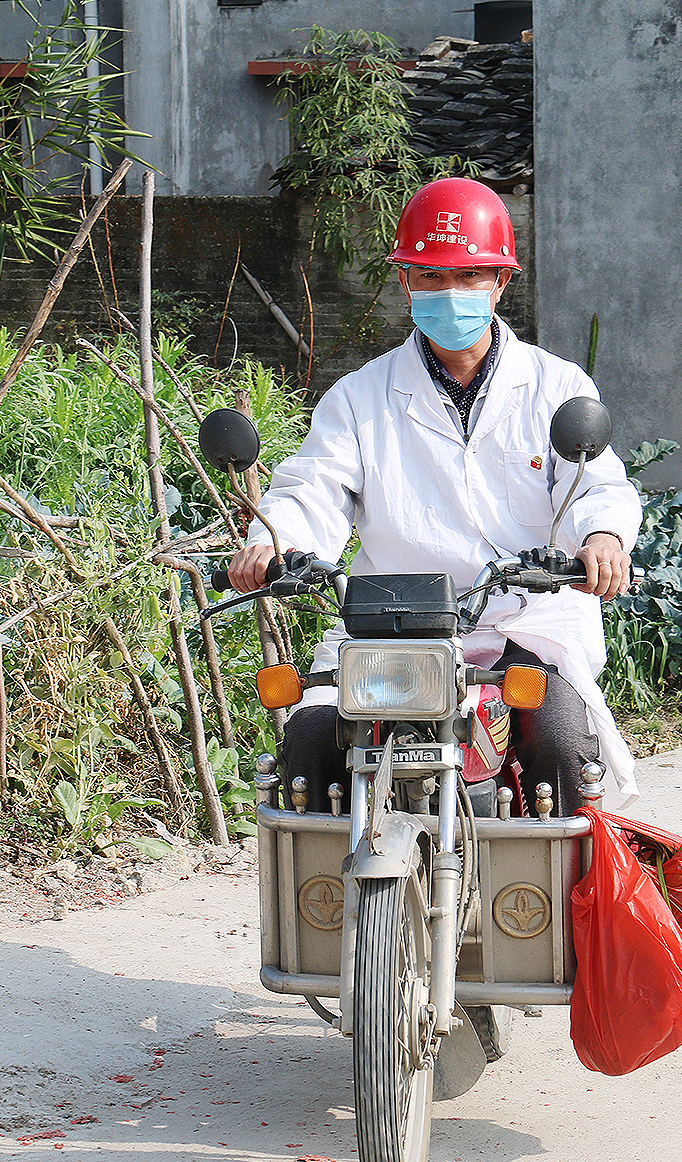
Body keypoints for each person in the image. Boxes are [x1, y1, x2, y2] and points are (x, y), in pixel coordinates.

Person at [226, 176, 643, 811]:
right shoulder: (361, 398)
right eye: (431, 277)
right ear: (405, 283)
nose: (451, 294)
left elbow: (596, 482)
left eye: (470, 277)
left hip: (525, 621)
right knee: (308, 748)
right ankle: (314, 906)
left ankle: (550, 908)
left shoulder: (556, 386)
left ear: (502, 281)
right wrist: (270, 544)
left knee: (560, 749)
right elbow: (314, 489)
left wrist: (603, 538)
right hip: (390, 634)